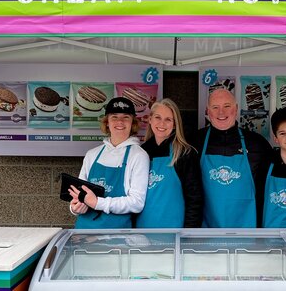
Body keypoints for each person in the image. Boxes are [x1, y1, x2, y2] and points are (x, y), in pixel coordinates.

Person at [192, 88, 286, 228]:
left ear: (236, 108)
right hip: (205, 230)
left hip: (248, 232)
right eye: (215, 107)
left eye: (227, 106)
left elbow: (285, 161)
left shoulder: (256, 143)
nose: (221, 112)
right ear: (207, 111)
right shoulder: (193, 143)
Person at [69, 96, 149, 229]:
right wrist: (75, 207)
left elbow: (136, 203)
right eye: (114, 117)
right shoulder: (92, 155)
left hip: (116, 237)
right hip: (84, 233)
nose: (120, 122)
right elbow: (78, 193)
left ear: (132, 123)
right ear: (107, 122)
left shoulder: (138, 155)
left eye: (126, 117)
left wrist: (97, 203)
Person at [137, 98, 204, 228]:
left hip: (175, 233)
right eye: (158, 117)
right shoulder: (140, 153)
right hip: (142, 233)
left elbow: (194, 199)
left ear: (174, 124)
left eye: (168, 119)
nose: (162, 123)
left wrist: (188, 233)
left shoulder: (185, 154)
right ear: (150, 119)